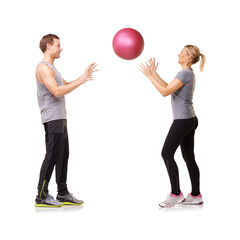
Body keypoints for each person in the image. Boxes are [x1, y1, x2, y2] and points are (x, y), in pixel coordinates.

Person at [35, 34, 98, 207]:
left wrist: (83, 77)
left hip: (61, 117)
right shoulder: (43, 68)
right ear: (48, 46)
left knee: (63, 155)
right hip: (52, 118)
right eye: (58, 45)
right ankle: (41, 195)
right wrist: (81, 80)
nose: (61, 48)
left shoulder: (53, 69)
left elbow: (65, 85)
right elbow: (56, 91)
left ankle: (62, 193)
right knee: (52, 155)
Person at [140, 45, 206, 207]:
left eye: (182, 52)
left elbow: (164, 92)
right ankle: (196, 195)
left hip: (183, 121)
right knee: (189, 157)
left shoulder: (184, 73)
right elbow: (170, 88)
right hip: (190, 119)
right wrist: (154, 74)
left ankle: (176, 194)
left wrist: (149, 77)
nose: (179, 54)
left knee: (166, 153)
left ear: (189, 57)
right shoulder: (187, 74)